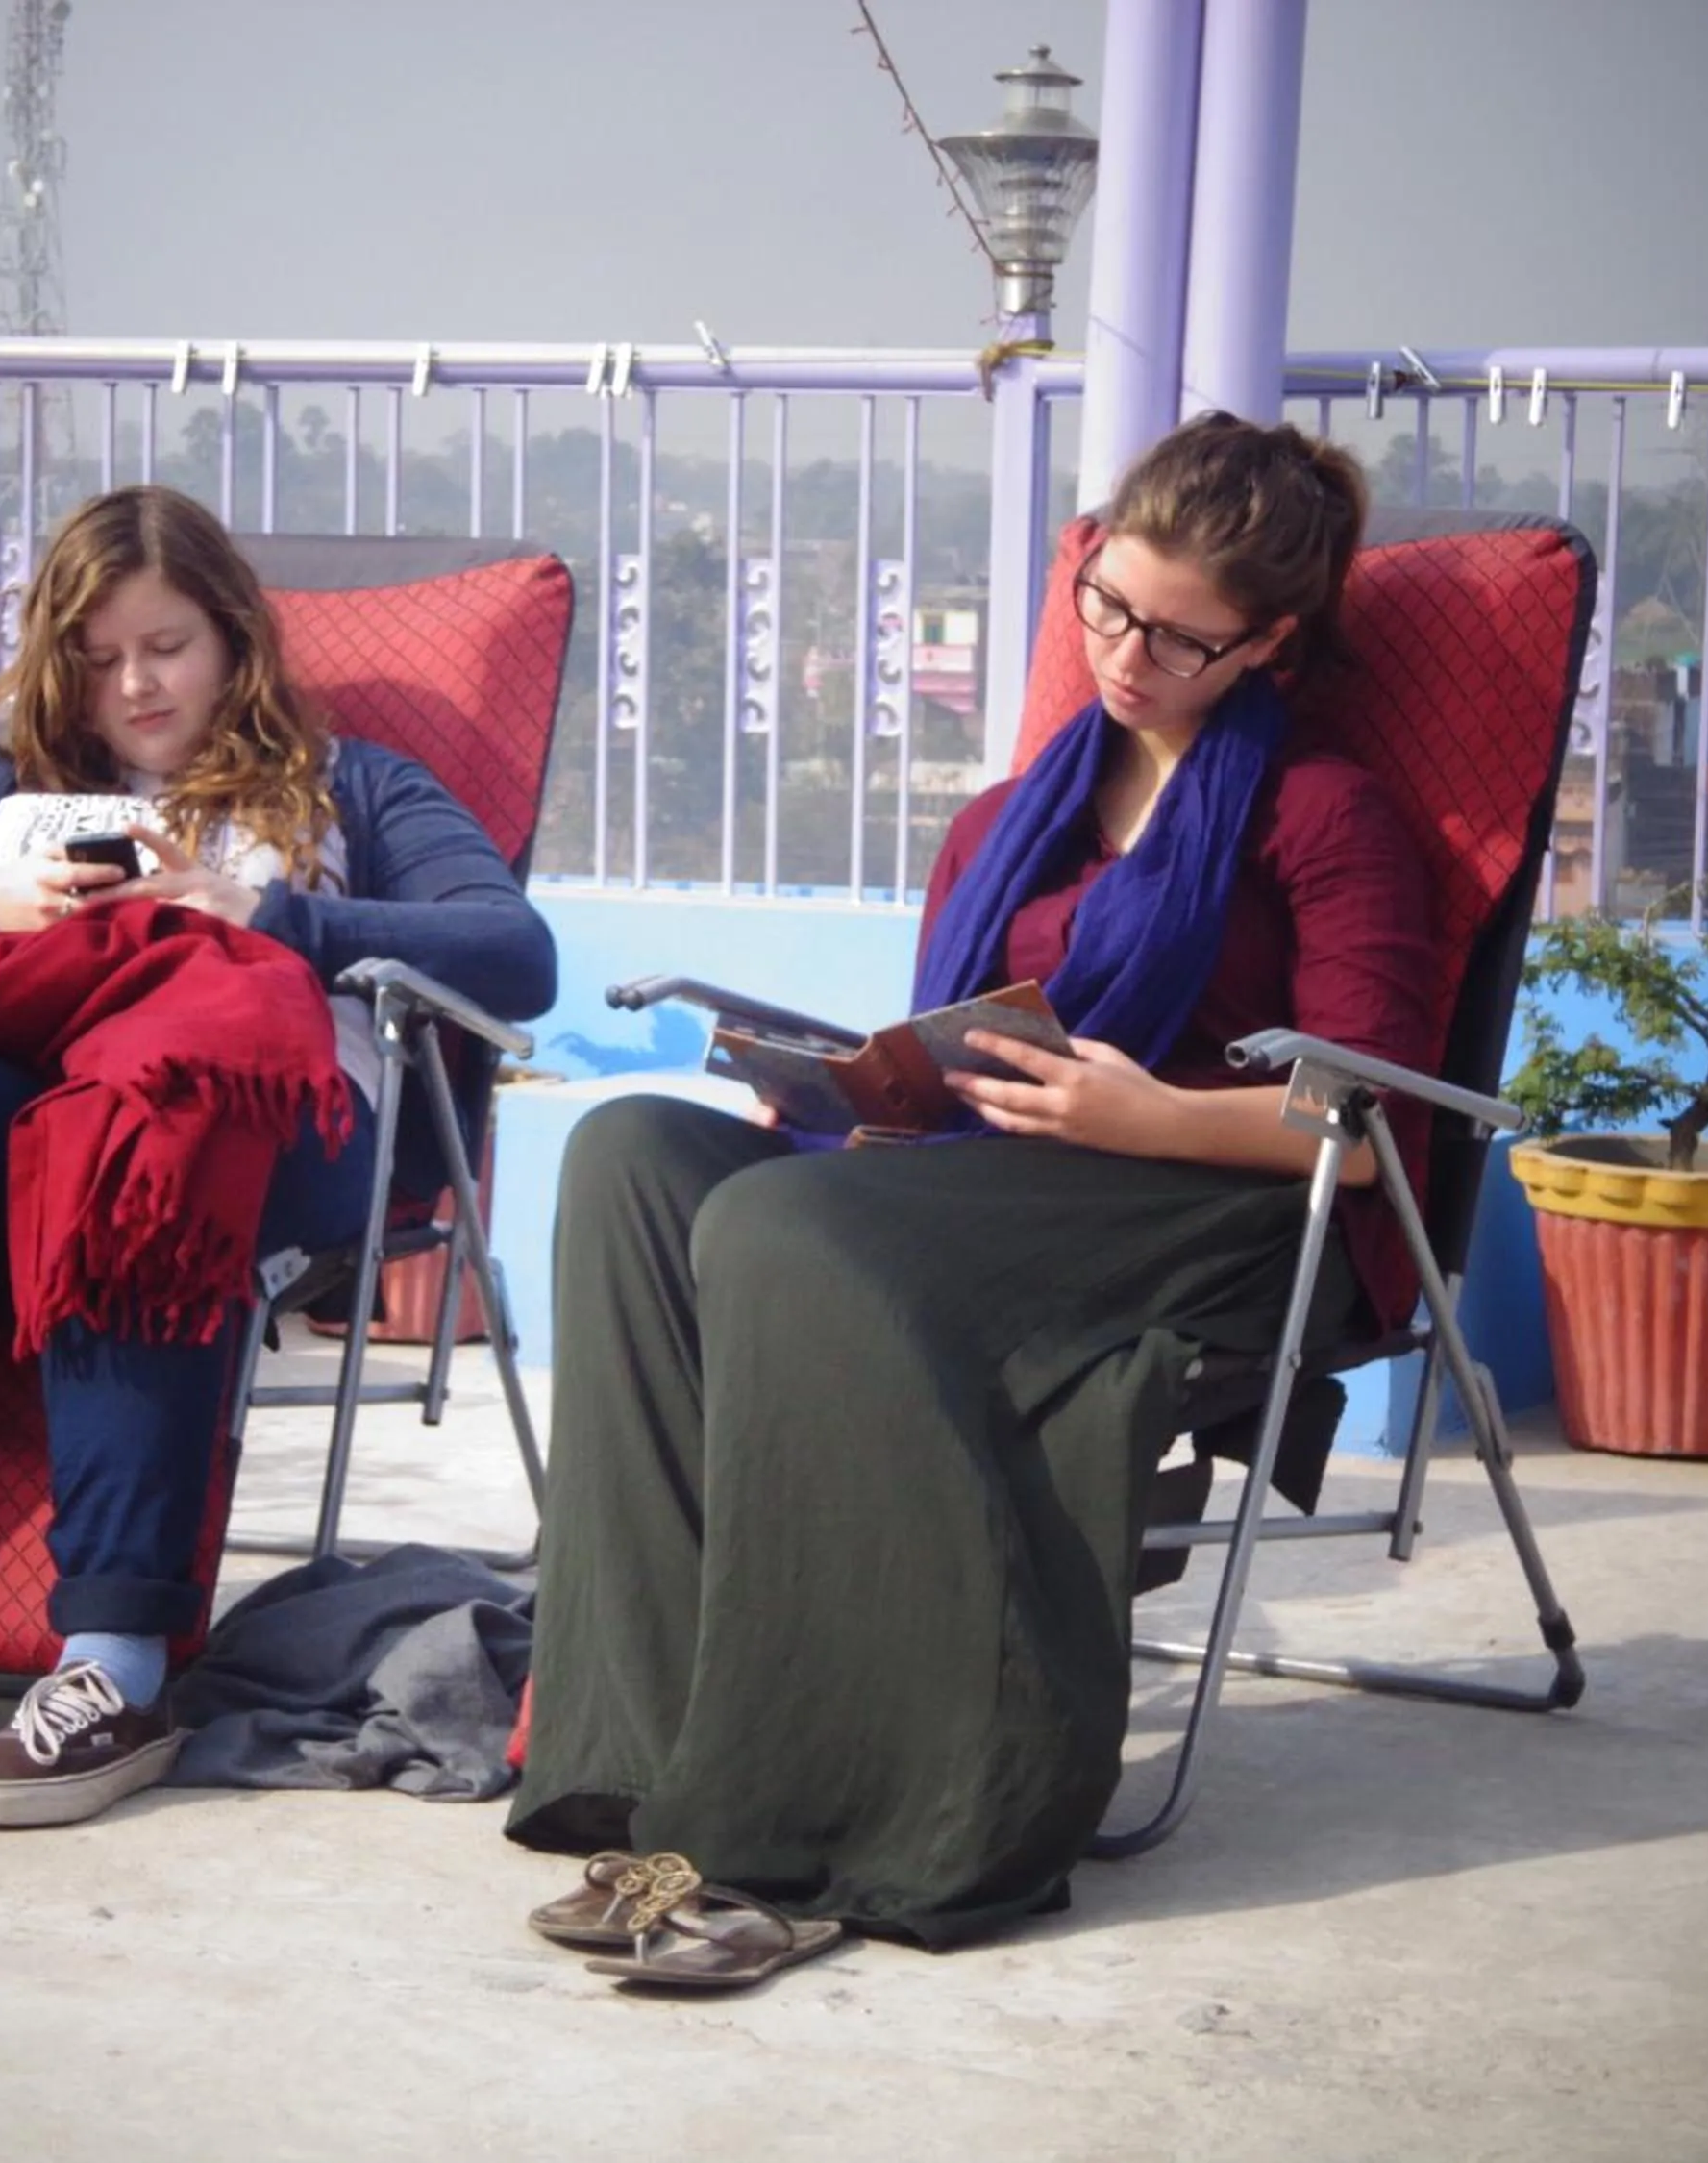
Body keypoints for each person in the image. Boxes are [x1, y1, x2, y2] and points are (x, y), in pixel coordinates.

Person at [506, 412, 1438, 1959]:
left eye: (1183, 637)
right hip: (981, 1176)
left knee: (787, 1226)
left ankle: (794, 1828)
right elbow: (951, 1057)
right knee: (637, 1159)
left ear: (1269, 642)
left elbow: (1379, 1123)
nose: (1128, 655)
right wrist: (848, 1088)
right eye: (1107, 604)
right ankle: (636, 1765)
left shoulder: (1323, 818)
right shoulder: (1013, 822)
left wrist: (1153, 1112)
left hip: (1216, 1201)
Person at [0, 484, 555, 1828]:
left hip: (268, 1124)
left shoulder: (354, 786)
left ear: (233, 639)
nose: (136, 685)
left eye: (166, 645)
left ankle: (114, 1662)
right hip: (21, 1116)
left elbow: (514, 953)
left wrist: (262, 913)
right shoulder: (12, 794)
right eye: (97, 660)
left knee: (146, 1134)